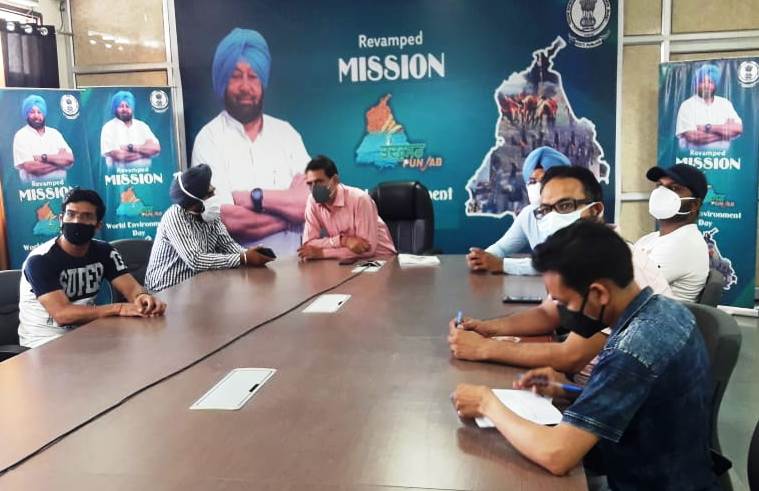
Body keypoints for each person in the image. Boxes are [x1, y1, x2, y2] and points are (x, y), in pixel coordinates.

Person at [452, 221, 718, 489]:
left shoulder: (631, 351)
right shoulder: (667, 310)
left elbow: (557, 455)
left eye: (565, 303)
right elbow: (641, 400)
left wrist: (486, 403)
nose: (561, 312)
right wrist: (567, 390)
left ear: (599, 294)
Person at [449, 166, 672, 375]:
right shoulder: (576, 256)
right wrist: (486, 328)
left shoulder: (617, 262)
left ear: (595, 210)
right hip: (587, 382)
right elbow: (548, 314)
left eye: (565, 206)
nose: (552, 217)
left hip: (618, 391)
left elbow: (572, 356)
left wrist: (483, 348)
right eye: (545, 210)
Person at [191, 28, 309, 254]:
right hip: (237, 272)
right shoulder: (209, 139)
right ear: (222, 81)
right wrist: (290, 215)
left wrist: (251, 198)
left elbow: (312, 204)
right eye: (236, 76)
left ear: (263, 82)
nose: (245, 87)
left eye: (253, 76)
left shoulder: (287, 134)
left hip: (294, 269)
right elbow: (228, 221)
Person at [18, 188, 166, 348]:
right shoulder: (40, 259)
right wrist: (119, 308)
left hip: (87, 334)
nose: (76, 221)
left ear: (98, 225)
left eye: (86, 216)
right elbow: (62, 314)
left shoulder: (105, 252)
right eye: (71, 214)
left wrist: (142, 297)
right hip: (43, 344)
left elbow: (132, 289)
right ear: (61, 219)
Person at [144, 165, 274, 292]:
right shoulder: (175, 217)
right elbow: (196, 260)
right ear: (195, 200)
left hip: (196, 286)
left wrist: (251, 253)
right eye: (210, 193)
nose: (214, 196)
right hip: (165, 290)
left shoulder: (210, 215)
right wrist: (243, 257)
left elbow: (227, 245)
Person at [467, 146, 570, 275]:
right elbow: (502, 247)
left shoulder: (574, 212)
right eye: (532, 181)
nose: (537, 186)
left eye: (544, 180)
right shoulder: (529, 214)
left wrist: (502, 264)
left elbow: (561, 262)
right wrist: (482, 258)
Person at [634, 164, 709, 302]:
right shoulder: (650, 238)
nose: (661, 193)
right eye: (659, 186)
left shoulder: (685, 244)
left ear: (694, 205)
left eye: (674, 188)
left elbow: (625, 288)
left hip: (658, 315)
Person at [298, 155, 396, 260]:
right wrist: (343, 240)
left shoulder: (360, 199)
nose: (314, 188)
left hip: (380, 259)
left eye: (319, 182)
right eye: (310, 184)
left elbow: (367, 250)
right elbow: (308, 244)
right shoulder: (312, 201)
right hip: (346, 260)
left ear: (335, 180)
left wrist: (322, 253)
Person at [676, 63, 742, 150]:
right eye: (702, 82)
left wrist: (707, 127)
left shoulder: (725, 103)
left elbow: (737, 129)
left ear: (715, 85)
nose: (706, 86)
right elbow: (694, 137)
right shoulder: (687, 105)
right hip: (692, 156)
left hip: (723, 157)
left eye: (710, 82)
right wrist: (724, 134)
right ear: (696, 84)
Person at [13, 94, 74, 182]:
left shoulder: (54, 133)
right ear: (26, 114)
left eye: (39, 112)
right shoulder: (21, 136)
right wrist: (59, 162)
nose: (36, 116)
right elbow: (32, 168)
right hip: (33, 189)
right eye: (32, 112)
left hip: (61, 187)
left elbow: (69, 159)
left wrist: (43, 157)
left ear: (44, 114)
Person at [100, 90, 161, 169]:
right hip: (118, 175)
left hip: (146, 175)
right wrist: (145, 153)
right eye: (121, 106)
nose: (124, 109)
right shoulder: (108, 127)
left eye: (128, 106)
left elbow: (155, 148)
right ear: (115, 108)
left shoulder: (142, 126)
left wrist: (130, 147)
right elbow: (120, 156)